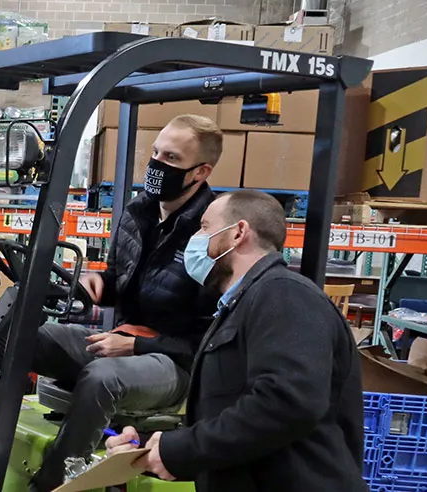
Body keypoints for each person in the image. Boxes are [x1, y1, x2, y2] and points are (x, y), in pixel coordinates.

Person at [106, 189, 367, 492]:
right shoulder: (240, 306)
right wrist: (151, 447)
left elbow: (286, 404)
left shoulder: (284, 294)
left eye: (204, 227)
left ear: (238, 233)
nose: (195, 239)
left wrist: (181, 450)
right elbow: (234, 421)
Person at [30, 115, 224, 491]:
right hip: (122, 341)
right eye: (156, 153)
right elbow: (120, 280)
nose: (157, 164)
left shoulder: (209, 235)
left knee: (102, 378)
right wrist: (97, 284)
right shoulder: (139, 211)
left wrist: (137, 345)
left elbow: (209, 342)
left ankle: (55, 484)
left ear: (201, 172)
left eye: (171, 158)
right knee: (28, 334)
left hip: (176, 366)